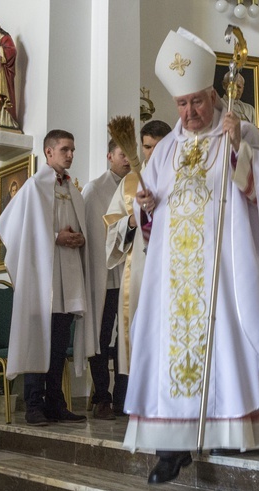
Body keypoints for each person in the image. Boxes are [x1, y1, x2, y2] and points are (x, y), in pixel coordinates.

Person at [123, 27, 259, 484]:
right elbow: (152, 208)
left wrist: (241, 149)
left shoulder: (237, 131)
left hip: (223, 270)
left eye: (196, 101)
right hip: (173, 276)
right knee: (164, 348)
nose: (189, 112)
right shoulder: (165, 151)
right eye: (181, 104)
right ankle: (170, 448)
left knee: (224, 348)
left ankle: (225, 428)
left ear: (213, 94)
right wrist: (146, 206)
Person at [0, 129, 95, 426]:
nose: (70, 154)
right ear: (49, 152)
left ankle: (56, 402)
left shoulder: (74, 190)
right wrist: (54, 237)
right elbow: (8, 228)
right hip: (43, 279)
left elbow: (79, 227)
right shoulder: (32, 188)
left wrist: (79, 239)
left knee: (59, 340)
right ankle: (33, 404)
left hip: (68, 277)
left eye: (73, 149)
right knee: (39, 339)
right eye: (65, 149)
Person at [103, 119, 171, 413]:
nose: (151, 153)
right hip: (140, 271)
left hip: (175, 270)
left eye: (158, 146)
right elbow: (111, 224)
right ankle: (138, 400)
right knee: (140, 331)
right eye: (146, 147)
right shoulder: (131, 183)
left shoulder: (184, 176)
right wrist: (133, 219)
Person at [82, 140, 132, 420]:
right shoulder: (94, 189)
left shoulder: (137, 184)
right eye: (122, 155)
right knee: (100, 338)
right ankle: (102, 395)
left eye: (129, 155)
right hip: (103, 275)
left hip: (128, 273)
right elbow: (91, 235)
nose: (127, 160)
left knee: (126, 338)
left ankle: (124, 397)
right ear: (109, 156)